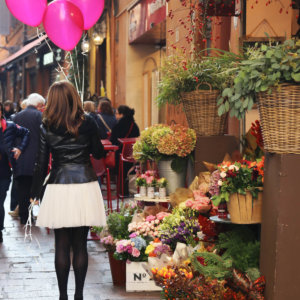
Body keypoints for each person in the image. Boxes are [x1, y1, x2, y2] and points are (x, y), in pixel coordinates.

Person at [30, 81, 106, 300]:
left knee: (61, 244)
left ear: (52, 100)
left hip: (58, 185)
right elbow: (99, 153)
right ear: (74, 97)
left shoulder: (46, 125)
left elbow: (41, 163)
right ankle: (79, 295)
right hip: (85, 183)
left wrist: (35, 193)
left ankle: (62, 296)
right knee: (80, 244)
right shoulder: (89, 122)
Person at [12, 93, 45, 224]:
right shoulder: (40, 116)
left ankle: (24, 216)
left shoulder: (16, 116)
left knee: (22, 188)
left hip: (20, 158)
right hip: (36, 158)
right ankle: (31, 215)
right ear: (38, 105)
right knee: (34, 188)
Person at [0, 103, 29, 242]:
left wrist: (20, 149)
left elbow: (26, 133)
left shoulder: (10, 126)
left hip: (4, 171)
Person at [110, 105, 140, 196]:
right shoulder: (133, 124)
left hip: (120, 152)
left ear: (121, 114)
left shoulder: (118, 124)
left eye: (117, 113)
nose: (115, 115)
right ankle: (131, 189)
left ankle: (122, 191)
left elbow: (113, 140)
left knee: (121, 173)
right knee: (130, 171)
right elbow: (137, 136)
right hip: (132, 153)